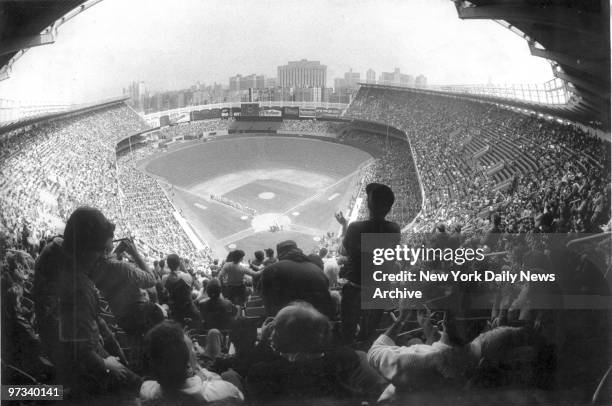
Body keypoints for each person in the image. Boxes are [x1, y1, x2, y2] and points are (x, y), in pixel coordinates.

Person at [33, 207, 141, 396]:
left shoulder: (54, 248)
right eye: (101, 251)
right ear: (83, 249)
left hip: (59, 345)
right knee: (136, 389)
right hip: (81, 367)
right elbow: (81, 351)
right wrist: (106, 365)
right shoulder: (77, 287)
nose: (103, 258)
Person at [247, 302, 382, 399]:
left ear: (281, 339)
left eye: (275, 328)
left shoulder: (262, 374)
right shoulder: (349, 360)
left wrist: (262, 343)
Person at [337, 183, 401, 343]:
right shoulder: (394, 229)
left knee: (348, 332)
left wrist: (344, 226)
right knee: (367, 333)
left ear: (368, 205)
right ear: (389, 208)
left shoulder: (355, 227)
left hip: (355, 289)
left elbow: (342, 252)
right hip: (378, 290)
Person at [140, 320, 244, 405]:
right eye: (193, 350)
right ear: (188, 366)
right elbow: (240, 398)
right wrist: (201, 375)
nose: (195, 352)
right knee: (231, 375)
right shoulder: (225, 391)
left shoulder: (145, 392)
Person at [260, 240, 334, 318]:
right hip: (318, 324)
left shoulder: (271, 270)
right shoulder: (317, 270)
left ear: (279, 254)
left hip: (288, 324)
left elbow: (268, 305)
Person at [163, 253, 201, 326]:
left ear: (168, 265)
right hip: (188, 306)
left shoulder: (164, 278)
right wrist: (184, 268)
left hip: (175, 308)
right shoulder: (186, 276)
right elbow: (193, 282)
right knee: (199, 318)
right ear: (179, 263)